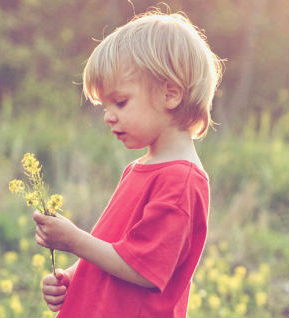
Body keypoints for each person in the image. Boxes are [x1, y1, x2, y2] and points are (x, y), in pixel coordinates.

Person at [33, 8, 223, 318]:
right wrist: (74, 273)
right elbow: (119, 247)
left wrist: (75, 241)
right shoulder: (140, 168)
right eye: (104, 106)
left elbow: (144, 270)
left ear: (170, 94)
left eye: (120, 102)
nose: (108, 115)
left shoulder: (180, 180)